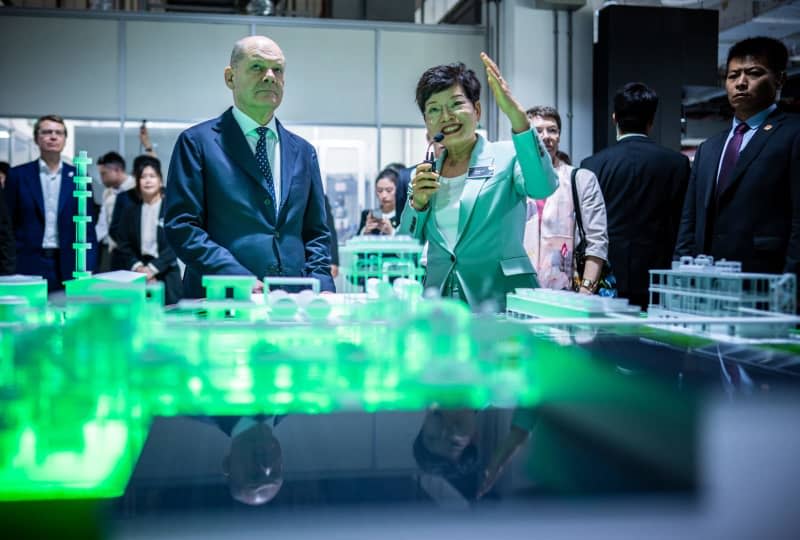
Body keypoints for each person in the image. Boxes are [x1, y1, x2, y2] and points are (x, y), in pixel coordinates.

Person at [164, 35, 334, 298]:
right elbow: (182, 226)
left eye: (277, 69)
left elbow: (316, 234)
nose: (270, 76)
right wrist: (235, 275)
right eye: (257, 67)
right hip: (223, 302)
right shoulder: (197, 143)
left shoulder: (303, 151)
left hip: (294, 305)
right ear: (230, 77)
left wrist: (322, 284)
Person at [399, 54, 557, 311]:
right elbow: (403, 248)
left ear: (477, 110)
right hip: (441, 306)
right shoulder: (425, 176)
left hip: (501, 300)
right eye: (434, 109)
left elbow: (542, 187)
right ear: (427, 121)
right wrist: (416, 205)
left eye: (456, 104)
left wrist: (517, 117)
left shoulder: (507, 156)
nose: (446, 115)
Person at [675, 37, 800, 286]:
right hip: (708, 283)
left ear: (780, 79)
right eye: (733, 76)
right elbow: (689, 222)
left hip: (766, 281)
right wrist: (681, 272)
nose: (741, 83)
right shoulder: (708, 149)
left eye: (753, 73)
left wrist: (791, 283)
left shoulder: (793, 134)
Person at [580, 83, 690, 309]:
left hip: (606, 276)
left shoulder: (591, 165)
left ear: (614, 119)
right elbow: (683, 221)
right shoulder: (677, 164)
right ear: (651, 120)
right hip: (659, 278)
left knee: (606, 339)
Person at [4, 114, 98, 291]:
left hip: (69, 262)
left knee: (65, 315)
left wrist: (89, 266)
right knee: (28, 316)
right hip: (27, 262)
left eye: (59, 133)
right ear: (36, 138)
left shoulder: (80, 178)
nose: (53, 136)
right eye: (47, 132)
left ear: (64, 139)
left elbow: (88, 231)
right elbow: (7, 225)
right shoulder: (18, 176)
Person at [524, 106, 608, 293]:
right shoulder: (515, 181)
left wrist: (586, 291)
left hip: (566, 292)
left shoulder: (581, 179)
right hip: (518, 292)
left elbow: (597, 241)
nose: (546, 136)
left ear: (559, 136)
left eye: (552, 130)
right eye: (538, 131)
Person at [115, 157, 182, 305]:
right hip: (137, 274)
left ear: (160, 180)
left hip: (167, 272)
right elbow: (123, 244)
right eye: (143, 177)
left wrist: (153, 269)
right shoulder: (130, 211)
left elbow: (177, 242)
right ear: (138, 182)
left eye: (152, 176)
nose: (148, 181)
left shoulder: (171, 210)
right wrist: (139, 268)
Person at [214, 415, 284, 506]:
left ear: (227, 464)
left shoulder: (198, 407)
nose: (267, 467)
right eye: (275, 473)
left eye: (255, 475)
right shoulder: (296, 404)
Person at [95, 151, 136, 272]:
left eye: (104, 174)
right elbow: (102, 224)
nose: (101, 179)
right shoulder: (107, 192)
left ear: (117, 170)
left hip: (134, 252)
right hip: (112, 250)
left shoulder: (137, 188)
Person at [358, 167, 400, 235]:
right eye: (379, 191)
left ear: (398, 190)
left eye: (389, 190)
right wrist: (365, 231)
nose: (384, 195)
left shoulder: (403, 217)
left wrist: (392, 232)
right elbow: (356, 242)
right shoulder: (368, 215)